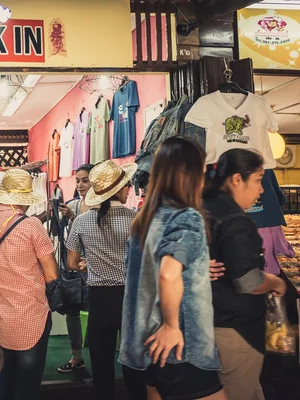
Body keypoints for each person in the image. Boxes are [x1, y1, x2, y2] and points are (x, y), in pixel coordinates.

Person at [119, 136, 226, 400]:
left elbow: (149, 272)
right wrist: (171, 325)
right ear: (188, 175)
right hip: (182, 349)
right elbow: (167, 272)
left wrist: (196, 270)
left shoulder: (145, 220)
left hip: (146, 349)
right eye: (201, 172)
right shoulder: (187, 216)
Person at [203, 149, 287, 400]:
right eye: (259, 179)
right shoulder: (235, 220)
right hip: (234, 330)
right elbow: (248, 281)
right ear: (237, 179)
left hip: (209, 321)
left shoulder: (203, 207)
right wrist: (275, 281)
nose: (261, 190)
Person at [0, 169, 59, 400]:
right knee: (28, 381)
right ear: (23, 200)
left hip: (0, 314)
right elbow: (51, 275)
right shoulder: (31, 226)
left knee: (10, 368)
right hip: (31, 314)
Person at [66, 160, 146, 400]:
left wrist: (89, 263)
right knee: (133, 361)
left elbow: (71, 263)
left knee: (101, 362)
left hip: (99, 297)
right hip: (130, 296)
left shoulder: (81, 221)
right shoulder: (136, 218)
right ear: (121, 189)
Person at [56, 163, 93, 373]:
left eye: (85, 180)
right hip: (74, 267)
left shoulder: (101, 206)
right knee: (72, 313)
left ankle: (99, 357)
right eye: (77, 180)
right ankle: (76, 357)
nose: (80, 184)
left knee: (96, 314)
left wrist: (72, 218)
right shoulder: (74, 204)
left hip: (94, 269)